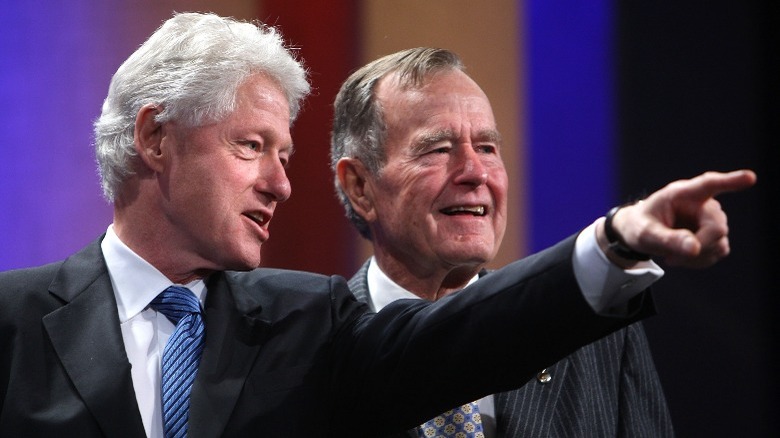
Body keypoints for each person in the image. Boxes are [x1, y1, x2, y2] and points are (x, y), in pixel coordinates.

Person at [0, 12, 754, 438]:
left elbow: (466, 334)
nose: (280, 182)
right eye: (251, 147)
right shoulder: (13, 320)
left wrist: (613, 240)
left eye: (286, 153)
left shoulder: (306, 320)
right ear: (156, 138)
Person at [330, 47, 754, 437]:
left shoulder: (598, 338)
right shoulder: (309, 352)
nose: (475, 173)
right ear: (361, 186)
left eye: (487, 147)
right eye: (438, 149)